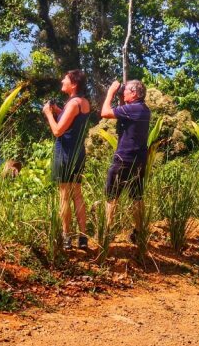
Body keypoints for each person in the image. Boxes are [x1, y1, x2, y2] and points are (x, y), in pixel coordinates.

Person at [42, 69, 91, 250]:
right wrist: (59, 111)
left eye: (66, 79)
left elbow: (57, 131)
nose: (62, 80)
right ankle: (83, 237)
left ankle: (66, 237)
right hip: (78, 153)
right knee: (77, 194)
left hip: (65, 153)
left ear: (74, 84)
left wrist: (48, 113)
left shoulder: (73, 103)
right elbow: (73, 121)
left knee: (64, 195)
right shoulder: (83, 102)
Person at [101, 78, 150, 243]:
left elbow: (105, 112)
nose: (124, 92)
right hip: (139, 159)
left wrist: (111, 92)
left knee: (111, 196)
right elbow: (124, 113)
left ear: (134, 93)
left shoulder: (133, 109)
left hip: (124, 159)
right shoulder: (144, 109)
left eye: (127, 90)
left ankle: (106, 232)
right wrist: (122, 98)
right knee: (137, 196)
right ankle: (139, 231)